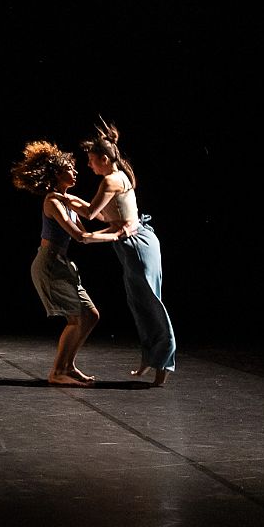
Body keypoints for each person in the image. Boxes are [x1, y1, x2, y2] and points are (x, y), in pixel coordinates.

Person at [56, 121, 177, 387]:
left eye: (91, 161)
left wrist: (70, 205)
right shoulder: (118, 176)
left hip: (137, 245)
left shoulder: (111, 181)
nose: (89, 166)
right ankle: (150, 358)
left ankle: (163, 364)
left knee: (150, 303)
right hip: (131, 243)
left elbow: (93, 215)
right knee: (139, 304)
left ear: (104, 159)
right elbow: (105, 216)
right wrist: (72, 201)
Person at [9, 140, 120, 387]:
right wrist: (115, 236)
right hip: (49, 265)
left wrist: (118, 217)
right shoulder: (53, 201)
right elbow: (79, 236)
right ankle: (57, 372)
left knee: (90, 315)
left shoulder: (68, 199)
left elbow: (97, 215)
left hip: (62, 263)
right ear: (57, 174)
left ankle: (68, 366)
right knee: (76, 319)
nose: (76, 171)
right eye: (70, 168)